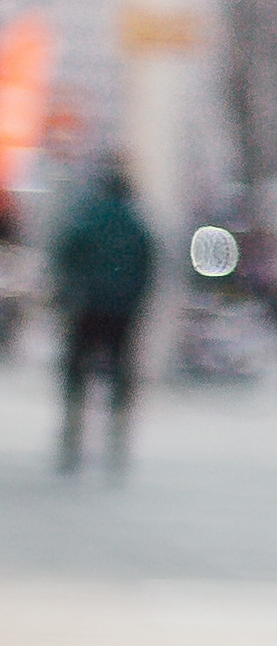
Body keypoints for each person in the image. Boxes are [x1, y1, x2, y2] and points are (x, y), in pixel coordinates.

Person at [48, 155, 153, 476]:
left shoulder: (87, 218)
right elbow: (149, 266)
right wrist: (136, 300)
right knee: (120, 376)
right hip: (122, 311)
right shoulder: (137, 225)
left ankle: (72, 439)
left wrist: (67, 293)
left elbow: (65, 254)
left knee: (78, 374)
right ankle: (116, 442)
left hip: (87, 306)